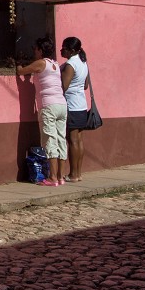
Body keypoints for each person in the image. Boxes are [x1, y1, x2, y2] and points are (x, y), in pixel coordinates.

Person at [17, 37, 67, 186]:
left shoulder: (41, 63)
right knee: (61, 140)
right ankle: (60, 176)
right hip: (62, 105)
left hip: (49, 106)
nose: (34, 51)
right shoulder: (55, 65)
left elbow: (22, 71)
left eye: (35, 49)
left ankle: (52, 178)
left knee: (49, 140)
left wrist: (18, 63)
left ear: (40, 50)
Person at [60, 36, 90, 182]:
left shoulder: (70, 64)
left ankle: (73, 174)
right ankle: (78, 173)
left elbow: (63, 87)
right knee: (78, 140)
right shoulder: (83, 62)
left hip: (71, 105)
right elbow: (85, 85)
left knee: (72, 141)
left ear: (71, 50)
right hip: (81, 105)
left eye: (64, 48)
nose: (61, 50)